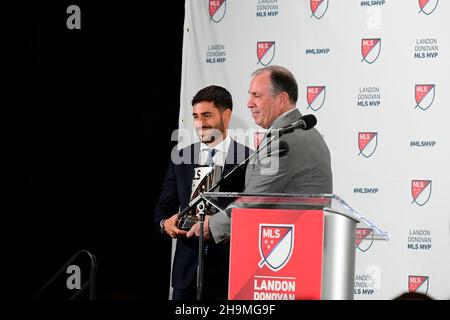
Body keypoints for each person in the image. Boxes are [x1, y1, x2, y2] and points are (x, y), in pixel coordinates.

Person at [189, 65, 333, 244]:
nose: (249, 103)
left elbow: (255, 200)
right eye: (250, 95)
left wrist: (211, 224)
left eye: (256, 96)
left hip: (287, 248)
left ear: (281, 99)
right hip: (296, 244)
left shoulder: (286, 138)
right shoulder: (298, 132)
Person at [154, 85, 251, 300]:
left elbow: (252, 213)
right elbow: (164, 205)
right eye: (196, 116)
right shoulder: (180, 157)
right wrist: (164, 223)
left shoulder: (248, 159)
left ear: (226, 116)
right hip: (185, 275)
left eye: (207, 115)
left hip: (228, 274)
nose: (200, 124)